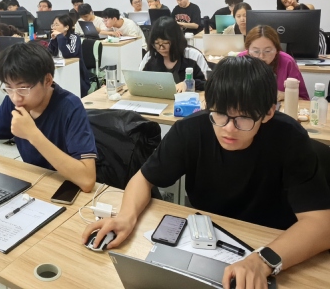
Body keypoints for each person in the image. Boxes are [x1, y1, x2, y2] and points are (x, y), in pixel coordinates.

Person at [82, 56, 330, 288]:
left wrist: (264, 260)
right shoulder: (191, 130)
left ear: (268, 113)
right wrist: (126, 217)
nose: (229, 128)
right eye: (220, 113)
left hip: (274, 242)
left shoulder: (289, 139)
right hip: (206, 241)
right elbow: (143, 179)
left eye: (243, 118)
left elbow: (321, 224)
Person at [0, 43, 97, 192]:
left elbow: (87, 180)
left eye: (23, 88)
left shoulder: (70, 107)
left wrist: (32, 134)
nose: (16, 98)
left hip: (66, 186)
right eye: (9, 87)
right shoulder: (14, 102)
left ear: (47, 80)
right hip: (34, 182)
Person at [239, 25, 309, 100]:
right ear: (248, 50)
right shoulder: (240, 60)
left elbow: (304, 99)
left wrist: (286, 95)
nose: (261, 56)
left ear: (276, 50)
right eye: (256, 51)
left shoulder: (287, 62)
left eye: (267, 51)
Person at [139, 17, 208, 91]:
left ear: (176, 40)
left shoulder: (193, 55)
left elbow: (209, 83)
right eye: (157, 43)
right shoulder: (150, 56)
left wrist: (188, 84)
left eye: (165, 43)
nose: (161, 48)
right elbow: (139, 81)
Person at [48, 14, 91, 97]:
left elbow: (69, 54)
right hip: (60, 70)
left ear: (66, 27)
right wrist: (53, 40)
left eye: (57, 25)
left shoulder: (74, 38)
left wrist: (60, 37)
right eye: (53, 25)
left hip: (75, 73)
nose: (54, 27)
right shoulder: (55, 37)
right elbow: (50, 54)